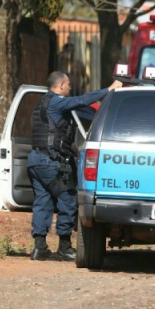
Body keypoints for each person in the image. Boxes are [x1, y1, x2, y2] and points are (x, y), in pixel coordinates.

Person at [28, 71, 122, 261]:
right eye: (68, 84)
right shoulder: (56, 101)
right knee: (68, 199)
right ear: (61, 85)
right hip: (50, 162)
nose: (70, 88)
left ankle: (40, 248)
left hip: (36, 160)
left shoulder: (42, 103)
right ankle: (64, 247)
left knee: (42, 202)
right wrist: (109, 90)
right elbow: (82, 100)